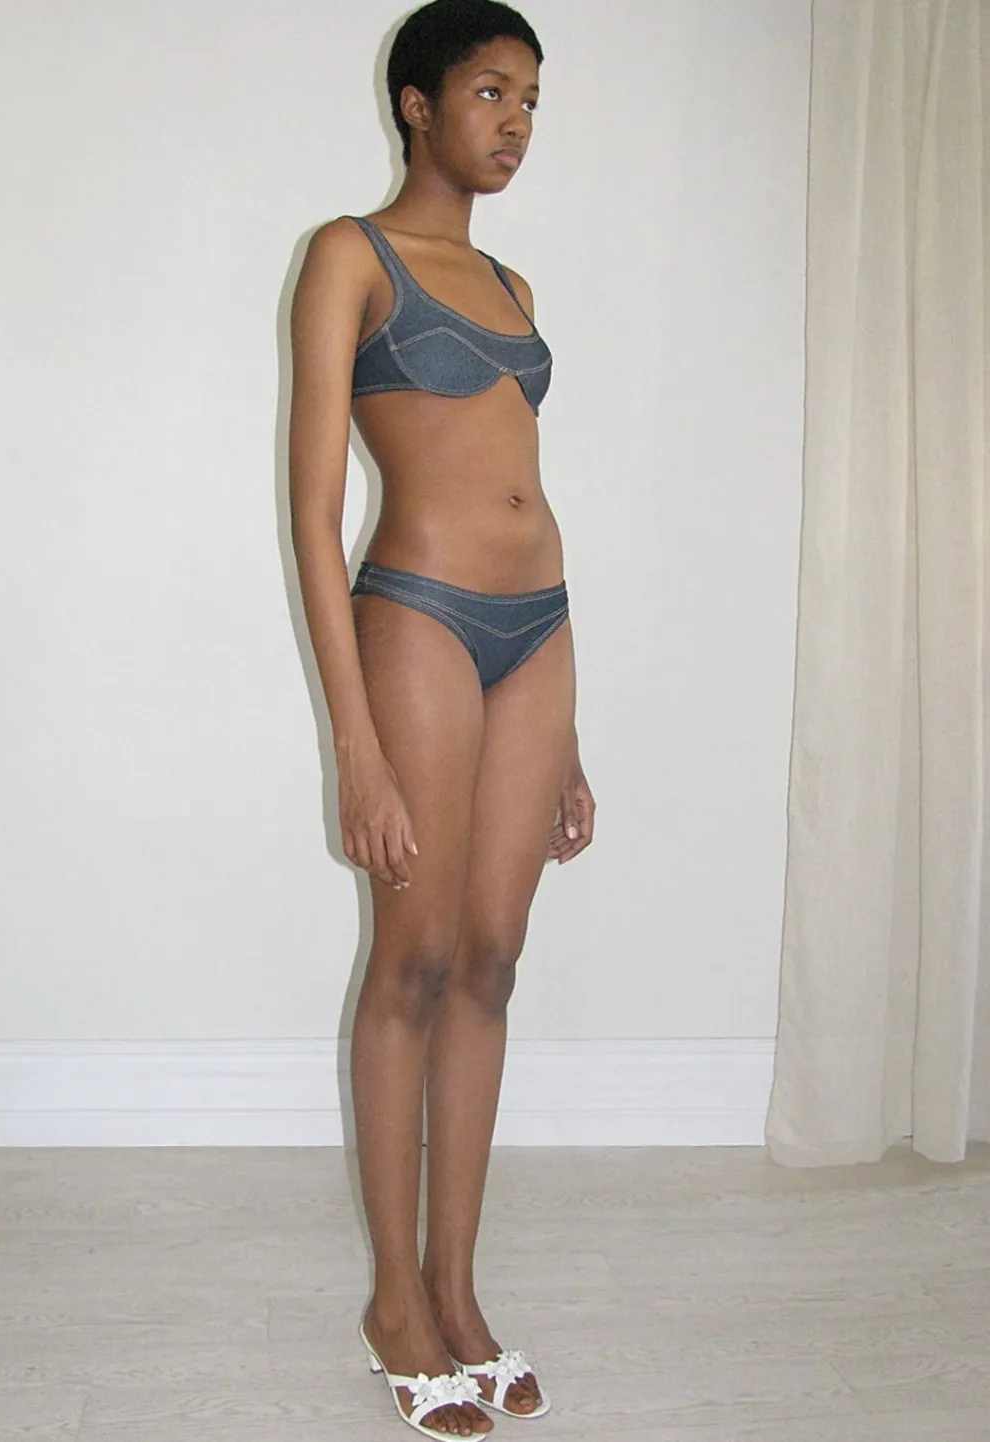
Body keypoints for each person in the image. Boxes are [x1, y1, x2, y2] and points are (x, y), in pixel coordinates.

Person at [288, 1, 595, 1436]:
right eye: (488, 92)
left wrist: (569, 740)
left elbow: (522, 478)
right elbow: (311, 509)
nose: (514, 121)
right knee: (412, 959)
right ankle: (393, 1300)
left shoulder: (513, 283)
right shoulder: (349, 256)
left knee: (493, 958)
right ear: (416, 103)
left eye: (529, 99)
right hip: (415, 613)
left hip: (541, 632)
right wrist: (354, 744)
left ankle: (459, 1289)